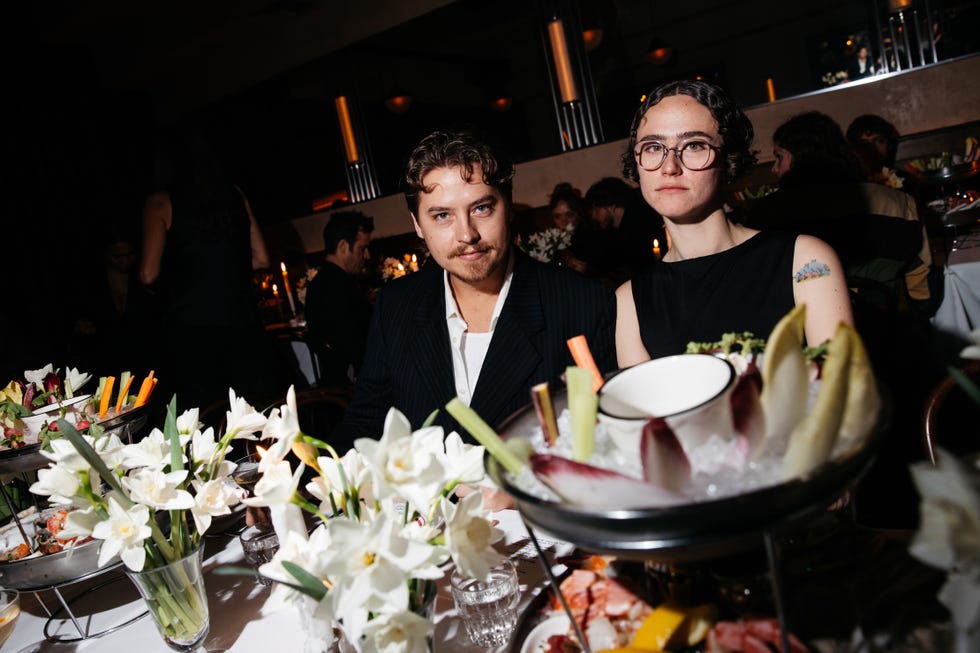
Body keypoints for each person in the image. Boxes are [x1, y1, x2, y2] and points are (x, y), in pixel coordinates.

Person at [338, 128, 616, 439]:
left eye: (481, 208)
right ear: (417, 224)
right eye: (442, 215)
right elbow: (365, 424)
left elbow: (608, 435)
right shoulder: (396, 306)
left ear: (508, 207)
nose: (467, 234)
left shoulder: (583, 304)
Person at [615, 81, 853, 367]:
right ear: (637, 164)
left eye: (693, 145)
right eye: (653, 147)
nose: (669, 167)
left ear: (728, 159)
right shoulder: (629, 301)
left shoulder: (805, 260)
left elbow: (844, 398)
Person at [140, 128, 288, 415]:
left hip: (193, 338)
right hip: (244, 329)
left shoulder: (160, 203)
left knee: (206, 425)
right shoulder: (235, 195)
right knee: (261, 416)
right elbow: (260, 259)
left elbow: (148, 273)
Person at [758, 111, 936, 316]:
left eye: (779, 157)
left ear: (800, 156)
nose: (774, 168)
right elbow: (921, 283)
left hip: (805, 333)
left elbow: (764, 287)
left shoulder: (769, 214)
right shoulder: (900, 203)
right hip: (885, 328)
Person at [303, 211, 374, 385]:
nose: (367, 256)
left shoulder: (318, 284)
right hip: (351, 387)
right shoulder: (340, 286)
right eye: (362, 248)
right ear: (343, 247)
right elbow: (357, 348)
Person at [567, 177, 664, 287]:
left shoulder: (638, 225)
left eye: (596, 209)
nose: (594, 216)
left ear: (611, 206)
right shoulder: (620, 229)